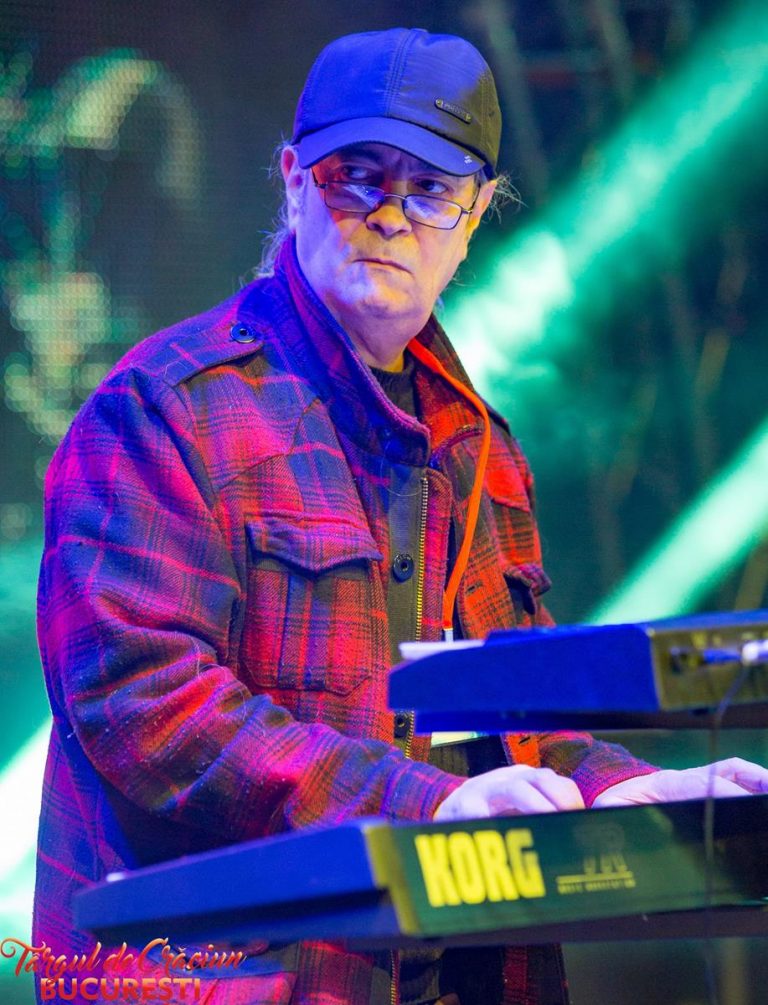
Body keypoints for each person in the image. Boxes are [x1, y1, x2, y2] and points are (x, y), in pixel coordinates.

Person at [33, 27, 768, 1005]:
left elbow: (506, 719)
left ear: (475, 217)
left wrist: (621, 791)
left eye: (429, 189)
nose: (389, 214)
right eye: (357, 177)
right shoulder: (163, 411)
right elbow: (145, 706)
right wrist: (428, 805)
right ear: (293, 181)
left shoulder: (482, 447)